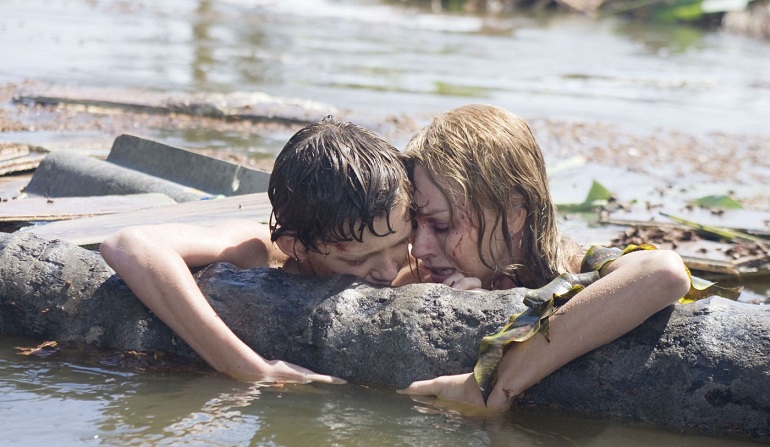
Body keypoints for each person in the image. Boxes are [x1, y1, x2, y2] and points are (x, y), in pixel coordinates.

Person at [397, 104, 691, 410]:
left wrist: (496, 382)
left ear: (513, 214)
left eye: (442, 226)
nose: (419, 248)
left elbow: (664, 272)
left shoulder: (579, 269)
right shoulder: (416, 275)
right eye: (413, 223)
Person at [100, 116, 417, 385]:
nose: (389, 270)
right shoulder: (261, 252)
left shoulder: (418, 264)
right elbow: (128, 244)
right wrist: (241, 365)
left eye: (401, 242)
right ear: (296, 245)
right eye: (358, 259)